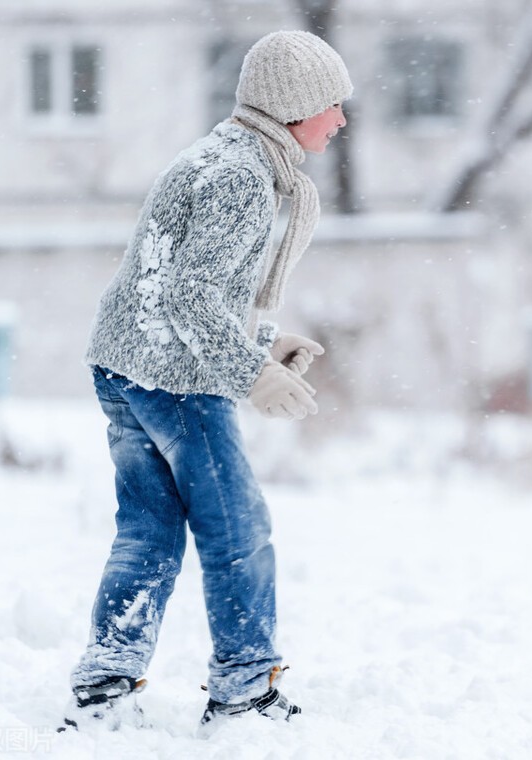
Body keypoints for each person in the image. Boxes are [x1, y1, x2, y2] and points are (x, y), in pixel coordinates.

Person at [62, 30, 352, 731]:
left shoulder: (223, 155)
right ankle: (245, 691)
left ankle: (105, 686)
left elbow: (193, 288)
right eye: (332, 106)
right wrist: (251, 374)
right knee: (236, 530)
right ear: (294, 109)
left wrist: (263, 340)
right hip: (174, 379)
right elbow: (193, 298)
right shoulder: (243, 176)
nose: (341, 120)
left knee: (150, 532)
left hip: (124, 361)